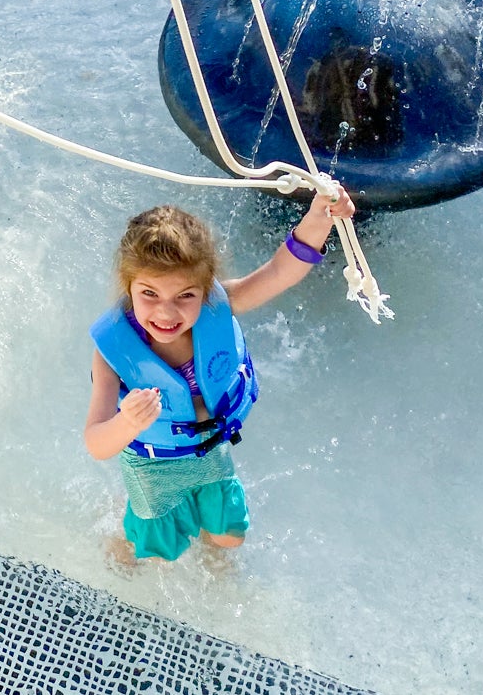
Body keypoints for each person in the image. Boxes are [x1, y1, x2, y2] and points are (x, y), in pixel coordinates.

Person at [84, 193, 356, 564]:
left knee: (229, 538)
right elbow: (97, 444)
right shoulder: (114, 352)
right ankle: (121, 540)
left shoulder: (218, 305)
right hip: (153, 467)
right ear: (127, 286)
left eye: (185, 295)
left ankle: (216, 569)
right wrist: (127, 421)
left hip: (211, 449)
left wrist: (320, 217)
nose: (166, 312)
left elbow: (280, 272)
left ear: (206, 287)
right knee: (152, 550)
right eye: (149, 293)